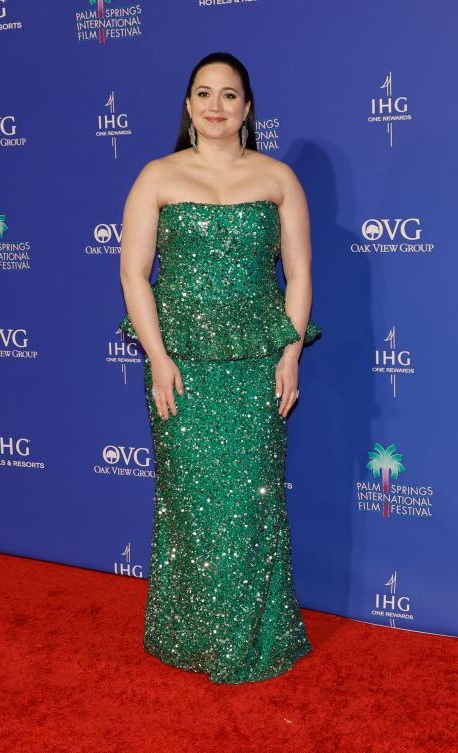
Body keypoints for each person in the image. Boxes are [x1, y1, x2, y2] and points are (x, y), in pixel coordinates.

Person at [117, 51, 321, 684]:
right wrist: (157, 359)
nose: (215, 105)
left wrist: (289, 352)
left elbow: (300, 273)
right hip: (181, 365)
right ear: (188, 106)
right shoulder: (157, 176)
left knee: (254, 505)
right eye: (203, 94)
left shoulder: (279, 179)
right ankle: (191, 636)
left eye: (229, 95)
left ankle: (251, 641)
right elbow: (133, 274)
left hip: (257, 363)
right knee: (192, 505)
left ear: (247, 108)